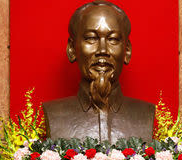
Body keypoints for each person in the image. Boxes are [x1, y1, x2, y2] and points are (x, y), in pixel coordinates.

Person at [43, 0, 155, 143]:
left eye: (113, 39)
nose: (102, 50)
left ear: (127, 51)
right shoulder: (55, 114)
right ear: (71, 49)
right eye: (91, 38)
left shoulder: (145, 114)